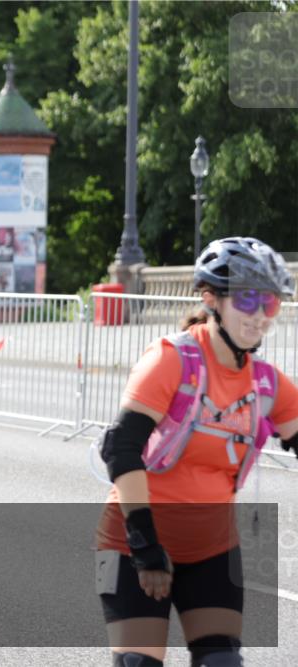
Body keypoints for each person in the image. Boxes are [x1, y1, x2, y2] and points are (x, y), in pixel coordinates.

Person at [96, 237, 298, 666]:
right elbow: (122, 450)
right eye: (247, 299)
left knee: (221, 663)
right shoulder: (173, 360)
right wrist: (146, 546)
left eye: (270, 302)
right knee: (139, 663)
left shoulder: (267, 384)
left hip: (211, 549)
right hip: (134, 541)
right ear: (211, 298)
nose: (259, 315)